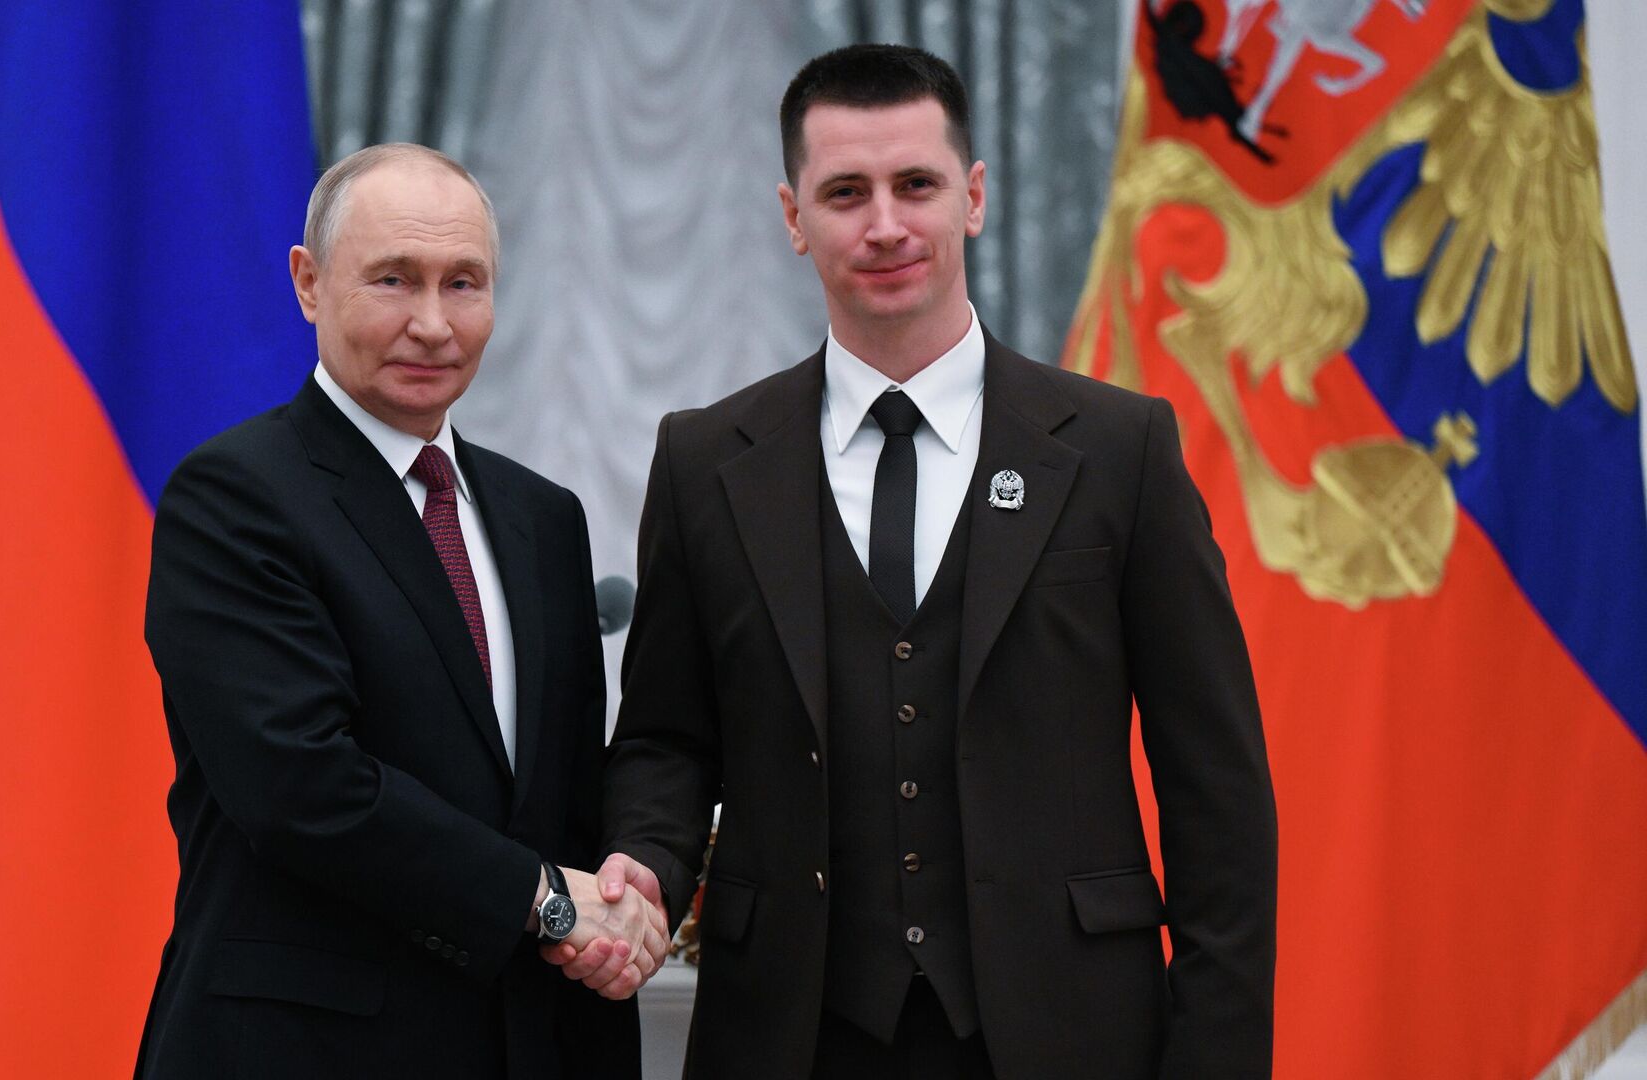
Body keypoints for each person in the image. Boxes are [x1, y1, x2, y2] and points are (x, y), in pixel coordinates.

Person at [564, 44, 1278, 1078]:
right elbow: (667, 740)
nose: (885, 224)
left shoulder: (1120, 451)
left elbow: (1218, 791)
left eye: (916, 185)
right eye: (845, 193)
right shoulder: (705, 461)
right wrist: (646, 864)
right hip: (790, 1037)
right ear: (793, 216)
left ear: (973, 198)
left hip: (1072, 1035)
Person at [134, 144, 661, 1079]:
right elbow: (301, 786)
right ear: (308, 283)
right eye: (393, 279)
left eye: (463, 283)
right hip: (306, 1053)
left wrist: (628, 886)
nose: (432, 323)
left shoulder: (543, 518)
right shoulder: (234, 497)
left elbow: (565, 798)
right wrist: (545, 900)